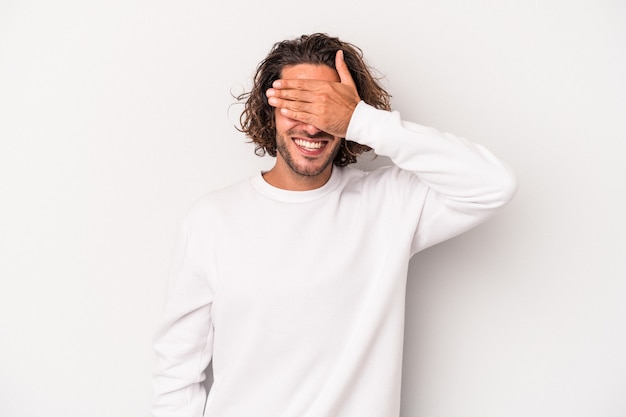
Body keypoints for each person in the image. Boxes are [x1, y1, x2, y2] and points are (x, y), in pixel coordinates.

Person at [151, 33, 517, 417]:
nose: (312, 126)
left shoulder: (390, 203)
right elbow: (177, 370)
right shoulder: (213, 219)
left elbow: (494, 185)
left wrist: (362, 120)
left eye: (326, 107)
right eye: (297, 104)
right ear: (268, 110)